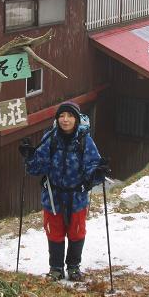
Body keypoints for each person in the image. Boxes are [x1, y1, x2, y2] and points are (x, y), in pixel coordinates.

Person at [18, 101, 108, 281]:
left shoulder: (85, 141)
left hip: (77, 196)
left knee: (77, 232)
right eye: (61, 116)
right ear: (57, 119)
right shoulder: (50, 139)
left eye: (69, 116)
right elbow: (36, 169)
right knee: (54, 231)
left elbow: (93, 168)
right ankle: (56, 269)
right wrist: (29, 157)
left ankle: (74, 267)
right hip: (53, 196)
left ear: (76, 119)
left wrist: (99, 171)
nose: (65, 120)